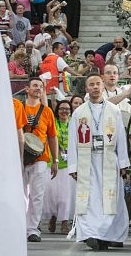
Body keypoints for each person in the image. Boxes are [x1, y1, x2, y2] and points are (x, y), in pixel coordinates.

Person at [68, 73, 130, 250]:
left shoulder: (113, 110)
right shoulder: (79, 113)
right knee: (90, 199)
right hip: (87, 161)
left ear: (103, 86)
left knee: (109, 199)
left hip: (109, 159)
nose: (95, 87)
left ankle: (106, 235)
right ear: (86, 89)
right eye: (91, 85)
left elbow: (121, 138)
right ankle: (89, 234)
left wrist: (124, 164)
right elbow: (73, 140)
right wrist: (73, 165)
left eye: (98, 84)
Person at [22, 77, 59, 243]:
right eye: (35, 85)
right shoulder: (17, 107)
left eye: (41, 86)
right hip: (19, 156)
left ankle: (32, 229)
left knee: (37, 195)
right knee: (20, 194)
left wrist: (55, 160)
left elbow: (52, 136)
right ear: (27, 89)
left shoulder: (47, 111)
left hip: (41, 157)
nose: (38, 88)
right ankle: (19, 225)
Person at [43, 100, 75, 235]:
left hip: (68, 165)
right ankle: (53, 217)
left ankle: (64, 222)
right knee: (51, 196)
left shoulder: (74, 123)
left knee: (65, 197)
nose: (64, 111)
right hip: (52, 164)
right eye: (61, 108)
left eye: (67, 109)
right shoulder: (53, 122)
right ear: (57, 111)